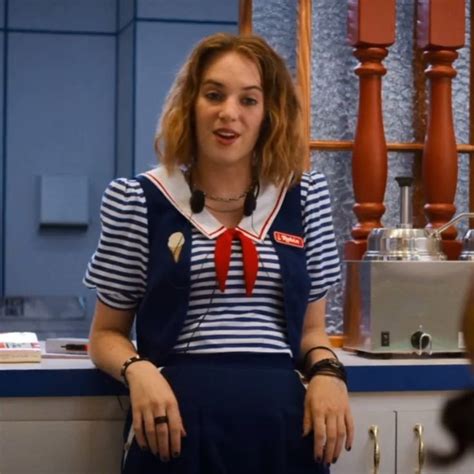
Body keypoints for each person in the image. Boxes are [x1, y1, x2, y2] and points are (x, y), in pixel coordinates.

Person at [84, 32, 353, 474]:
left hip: (284, 434)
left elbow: (312, 333)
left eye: (249, 100)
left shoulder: (306, 198)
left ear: (269, 115)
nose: (229, 113)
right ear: (191, 104)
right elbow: (104, 336)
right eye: (214, 95)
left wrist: (329, 374)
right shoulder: (139, 199)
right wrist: (138, 370)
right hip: (174, 433)